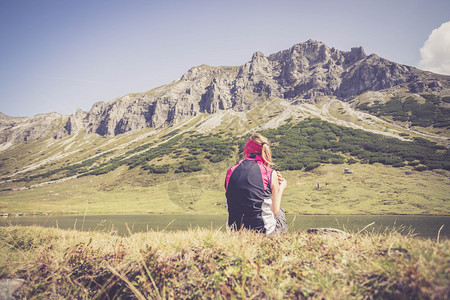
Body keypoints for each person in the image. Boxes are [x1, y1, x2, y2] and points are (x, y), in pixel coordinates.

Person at [225, 133, 288, 235]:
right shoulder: (269, 173)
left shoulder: (231, 171)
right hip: (263, 232)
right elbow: (274, 211)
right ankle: (278, 242)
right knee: (280, 212)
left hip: (234, 231)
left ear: (246, 151)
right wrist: (280, 188)